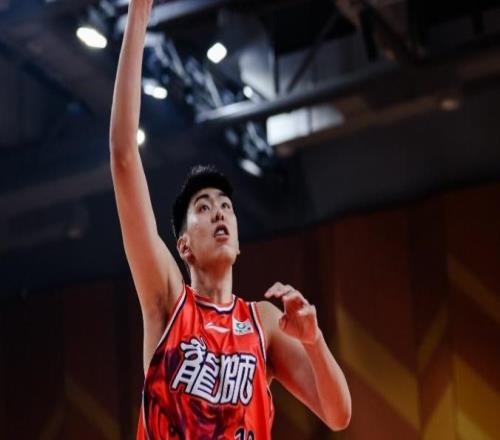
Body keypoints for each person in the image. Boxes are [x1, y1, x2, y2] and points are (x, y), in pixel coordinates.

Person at [109, 0, 351, 438]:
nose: (219, 211)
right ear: (184, 245)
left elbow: (338, 415)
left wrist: (315, 342)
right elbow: (124, 157)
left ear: (238, 242)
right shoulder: (168, 301)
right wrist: (139, 16)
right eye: (203, 207)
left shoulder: (264, 322)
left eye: (226, 206)